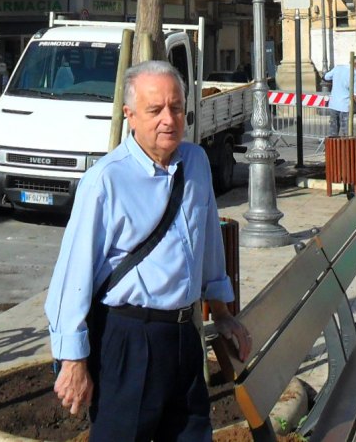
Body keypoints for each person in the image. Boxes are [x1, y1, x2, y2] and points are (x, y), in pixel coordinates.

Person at [45, 60, 251, 440]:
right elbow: (71, 278)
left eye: (175, 107)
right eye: (154, 110)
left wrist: (220, 311)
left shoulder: (197, 163)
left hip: (184, 337)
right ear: (130, 116)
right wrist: (72, 359)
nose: (168, 120)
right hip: (128, 340)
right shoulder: (105, 180)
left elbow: (208, 243)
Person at [323, 57, 356, 138]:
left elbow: (326, 77)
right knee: (347, 130)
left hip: (334, 104)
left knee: (333, 129)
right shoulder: (355, 74)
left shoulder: (338, 68)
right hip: (345, 105)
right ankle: (347, 147)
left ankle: (332, 149)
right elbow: (355, 95)